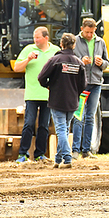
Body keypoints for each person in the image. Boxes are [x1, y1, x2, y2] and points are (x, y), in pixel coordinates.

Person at [38, 33, 87, 169]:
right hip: (72, 102)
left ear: (61, 44)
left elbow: (41, 77)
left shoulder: (55, 60)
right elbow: (83, 84)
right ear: (74, 45)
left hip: (57, 100)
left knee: (60, 129)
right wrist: (75, 92)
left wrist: (48, 86)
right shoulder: (79, 63)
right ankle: (58, 159)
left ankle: (67, 158)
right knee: (64, 129)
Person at [13, 26, 60, 163]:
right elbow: (16, 68)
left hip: (48, 95)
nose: (35, 40)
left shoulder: (55, 51)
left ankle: (40, 154)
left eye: (38, 37)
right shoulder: (29, 49)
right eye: (34, 37)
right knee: (28, 123)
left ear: (46, 38)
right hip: (32, 94)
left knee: (44, 125)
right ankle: (23, 154)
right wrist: (27, 59)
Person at [71, 18, 109, 159]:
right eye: (87, 32)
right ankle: (75, 150)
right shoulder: (75, 41)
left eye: (92, 32)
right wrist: (81, 61)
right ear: (82, 29)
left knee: (90, 117)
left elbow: (107, 62)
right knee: (78, 116)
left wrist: (102, 63)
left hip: (96, 83)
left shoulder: (101, 42)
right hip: (81, 84)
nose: (89, 35)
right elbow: (70, 60)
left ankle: (86, 150)